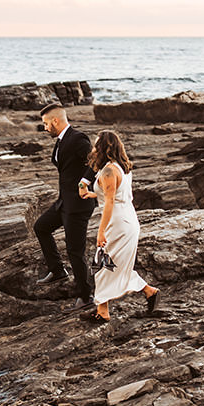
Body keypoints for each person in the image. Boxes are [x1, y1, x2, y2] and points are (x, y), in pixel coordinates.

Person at [78, 129, 158, 324]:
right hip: (127, 218)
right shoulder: (120, 167)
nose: (94, 148)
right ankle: (149, 291)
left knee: (104, 264)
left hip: (118, 222)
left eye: (97, 144)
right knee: (115, 264)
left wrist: (101, 231)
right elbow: (115, 194)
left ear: (105, 147)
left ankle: (103, 311)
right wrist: (93, 195)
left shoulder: (107, 171)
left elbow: (111, 202)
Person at [33, 102, 94, 304]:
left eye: (46, 123)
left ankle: (85, 296)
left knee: (75, 251)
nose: (45, 127)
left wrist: (85, 183)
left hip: (78, 205)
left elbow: (95, 162)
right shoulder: (61, 140)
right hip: (64, 202)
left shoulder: (78, 139)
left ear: (55, 121)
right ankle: (58, 270)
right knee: (41, 227)